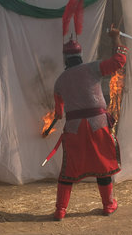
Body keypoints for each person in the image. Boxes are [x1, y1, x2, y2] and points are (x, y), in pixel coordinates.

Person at [52, 24, 127, 220]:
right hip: (98, 124)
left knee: (68, 169)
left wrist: (52, 121)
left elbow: (59, 113)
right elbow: (120, 60)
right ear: (80, 55)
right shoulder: (92, 68)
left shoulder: (59, 81)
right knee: (104, 165)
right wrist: (116, 39)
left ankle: (60, 210)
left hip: (74, 128)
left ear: (64, 58)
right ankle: (108, 205)